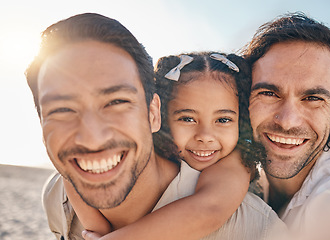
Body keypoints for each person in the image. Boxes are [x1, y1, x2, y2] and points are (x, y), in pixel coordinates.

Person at [25, 13, 285, 240]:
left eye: (116, 101)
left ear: (153, 114)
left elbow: (210, 209)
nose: (205, 136)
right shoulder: (57, 194)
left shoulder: (252, 220)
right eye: (62, 110)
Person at [67, 52, 255, 240]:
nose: (205, 136)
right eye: (187, 118)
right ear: (161, 116)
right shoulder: (144, 149)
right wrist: (97, 227)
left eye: (223, 119)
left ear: (241, 121)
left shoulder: (236, 160)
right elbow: (70, 175)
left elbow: (210, 210)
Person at [241, 12, 330, 239]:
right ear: (244, 98)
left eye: (313, 98)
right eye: (268, 93)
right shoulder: (241, 179)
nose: (287, 121)